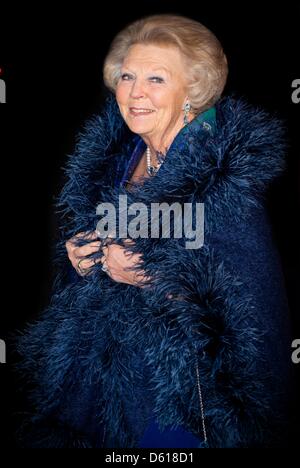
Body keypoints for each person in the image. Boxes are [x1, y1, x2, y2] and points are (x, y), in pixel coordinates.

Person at [16, 14, 292, 448]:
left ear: (192, 93)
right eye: (128, 76)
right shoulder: (118, 162)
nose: (135, 92)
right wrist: (85, 259)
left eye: (157, 79)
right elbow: (97, 278)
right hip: (109, 388)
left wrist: (147, 276)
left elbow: (247, 308)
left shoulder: (220, 178)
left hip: (184, 401)